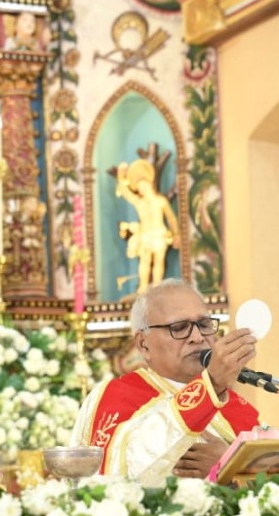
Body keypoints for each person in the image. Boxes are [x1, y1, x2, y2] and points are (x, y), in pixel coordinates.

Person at [71, 278, 260, 485]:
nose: (197, 337)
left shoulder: (234, 407)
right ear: (143, 344)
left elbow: (276, 482)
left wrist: (231, 468)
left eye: (204, 324)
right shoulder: (115, 397)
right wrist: (211, 385)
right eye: (179, 327)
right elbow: (131, 470)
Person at [116, 159, 180, 295]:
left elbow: (171, 218)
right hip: (146, 235)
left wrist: (176, 233)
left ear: (150, 184)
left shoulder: (160, 201)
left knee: (159, 260)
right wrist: (121, 176)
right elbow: (125, 192)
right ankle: (143, 287)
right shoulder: (139, 202)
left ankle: (157, 286)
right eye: (139, 187)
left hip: (159, 234)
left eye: (144, 185)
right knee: (145, 261)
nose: (142, 189)